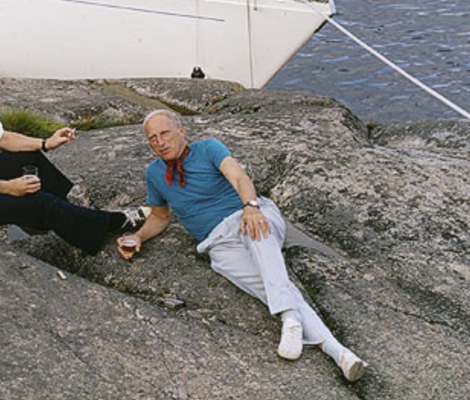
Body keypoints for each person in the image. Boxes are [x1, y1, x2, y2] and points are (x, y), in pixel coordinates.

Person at [122, 109, 367, 381]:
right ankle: (338, 352)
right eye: (152, 138)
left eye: (164, 133)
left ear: (181, 130)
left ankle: (293, 320)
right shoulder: (155, 173)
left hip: (248, 216)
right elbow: (159, 215)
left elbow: (238, 177)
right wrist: (139, 237)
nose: (160, 142)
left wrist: (250, 206)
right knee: (273, 284)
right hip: (218, 243)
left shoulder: (209, 148)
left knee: (260, 240)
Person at [0, 46, 139, 254]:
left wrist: (46, 143)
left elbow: (1, 137)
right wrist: (10, 188)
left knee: (29, 157)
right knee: (37, 202)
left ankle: (73, 210)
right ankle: (110, 223)